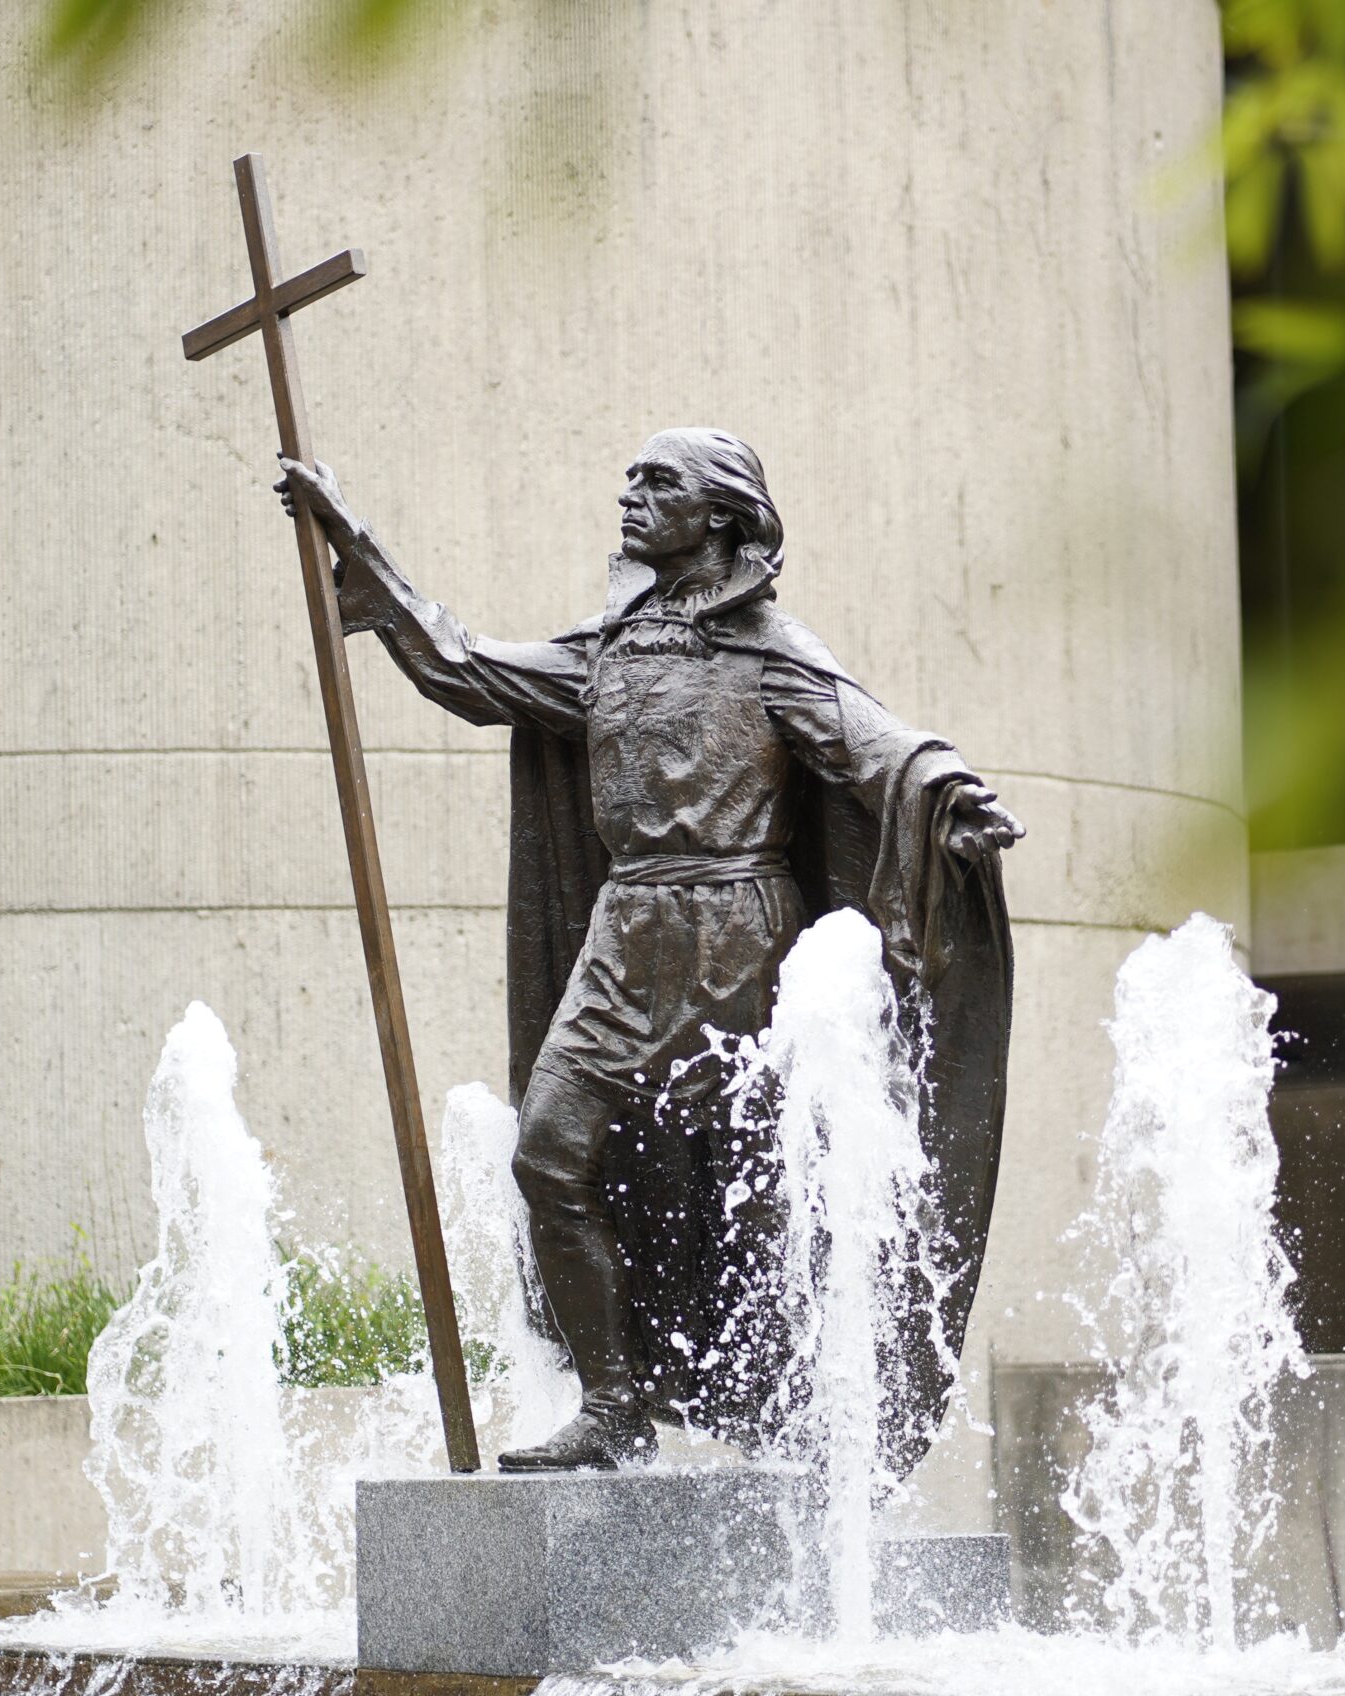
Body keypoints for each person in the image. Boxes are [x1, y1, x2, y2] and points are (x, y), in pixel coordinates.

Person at [277, 430, 1019, 1472]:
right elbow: (469, 667)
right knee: (546, 1154)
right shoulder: (610, 650)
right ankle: (613, 1404)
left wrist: (950, 798)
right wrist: (364, 559)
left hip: (738, 939)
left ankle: (802, 1416)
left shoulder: (770, 651)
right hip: (624, 936)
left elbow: (877, 745)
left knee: (764, 1184)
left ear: (719, 514)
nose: (629, 495)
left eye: (657, 481)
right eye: (630, 479)